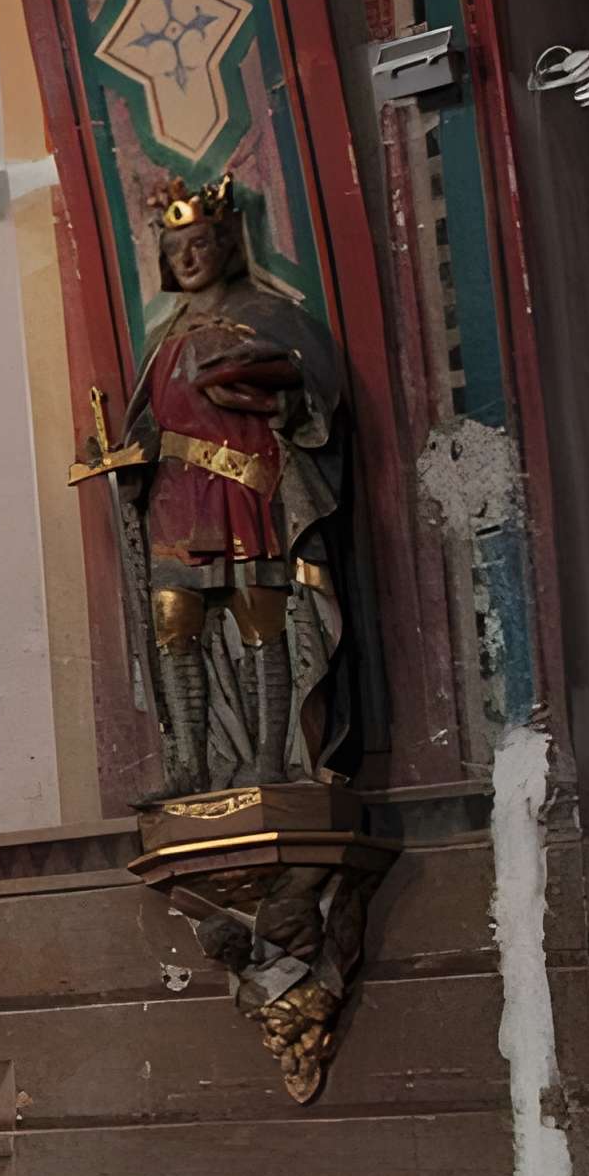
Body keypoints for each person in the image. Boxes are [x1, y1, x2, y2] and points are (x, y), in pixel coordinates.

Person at [114, 173, 355, 798]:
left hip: (247, 487)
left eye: (198, 244)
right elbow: (148, 419)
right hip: (174, 499)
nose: (187, 258)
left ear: (226, 244)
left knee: (261, 620)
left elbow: (313, 395)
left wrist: (272, 393)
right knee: (175, 624)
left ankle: (274, 760)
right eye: (174, 250)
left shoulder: (268, 316)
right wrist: (125, 458)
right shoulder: (161, 339)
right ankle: (190, 768)